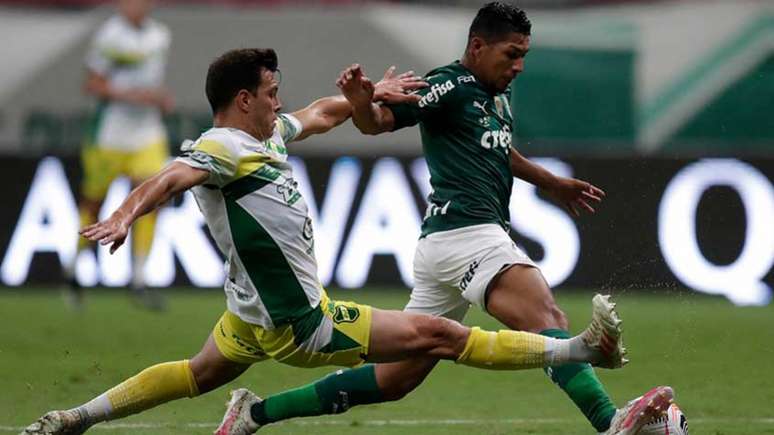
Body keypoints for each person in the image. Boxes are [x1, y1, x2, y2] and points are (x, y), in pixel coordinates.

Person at [20, 48, 627, 435]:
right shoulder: (223, 147)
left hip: (246, 316)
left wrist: (371, 98)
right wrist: (127, 212)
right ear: (242, 101)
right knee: (441, 336)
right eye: (270, 92)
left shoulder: (267, 137)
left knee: (195, 373)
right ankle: (580, 351)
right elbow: (170, 177)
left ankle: (76, 418)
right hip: (300, 323)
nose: (279, 102)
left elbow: (319, 113)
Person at [330, 2, 674, 435]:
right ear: (477, 46)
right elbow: (376, 123)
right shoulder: (447, 84)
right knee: (546, 319)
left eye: (524, 55)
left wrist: (550, 181)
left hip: (444, 243)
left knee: (396, 378)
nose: (520, 66)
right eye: (512, 54)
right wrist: (361, 104)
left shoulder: (496, 92)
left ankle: (256, 412)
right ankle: (611, 422)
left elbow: (495, 148)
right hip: (467, 233)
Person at [65, 0, 173, 310]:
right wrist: (136, 97)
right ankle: (74, 270)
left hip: (147, 134)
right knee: (94, 204)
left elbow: (150, 80)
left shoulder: (160, 36)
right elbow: (93, 84)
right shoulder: (109, 36)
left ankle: (139, 278)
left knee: (152, 199)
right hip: (109, 135)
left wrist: (159, 97)